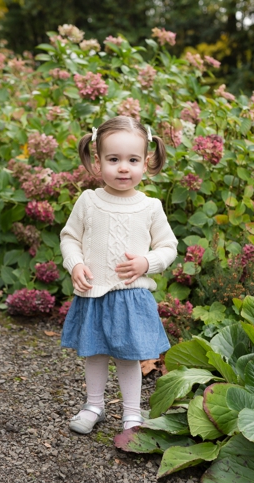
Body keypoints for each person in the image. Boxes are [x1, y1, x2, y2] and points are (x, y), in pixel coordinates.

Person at [59, 115, 176, 434]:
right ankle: (94, 405)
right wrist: (76, 264)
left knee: (128, 358)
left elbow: (168, 247)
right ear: (98, 162)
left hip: (130, 296)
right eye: (113, 159)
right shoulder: (88, 201)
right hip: (94, 293)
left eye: (132, 160)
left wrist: (146, 262)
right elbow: (70, 237)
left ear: (146, 162)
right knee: (95, 353)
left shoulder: (150, 207)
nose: (123, 168)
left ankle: (132, 413)